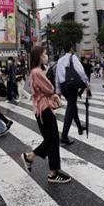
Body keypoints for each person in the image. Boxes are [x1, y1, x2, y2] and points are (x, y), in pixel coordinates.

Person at [21, 45, 71, 183]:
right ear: (38, 56)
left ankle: (52, 171)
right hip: (44, 110)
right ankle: (36, 161)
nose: (46, 56)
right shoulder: (37, 72)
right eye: (44, 54)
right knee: (52, 139)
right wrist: (52, 90)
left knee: (51, 139)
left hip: (42, 109)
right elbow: (49, 88)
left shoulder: (35, 71)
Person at [55, 42, 89, 145]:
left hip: (63, 86)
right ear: (71, 48)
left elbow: (57, 75)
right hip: (71, 85)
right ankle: (64, 136)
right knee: (70, 108)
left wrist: (58, 90)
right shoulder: (73, 57)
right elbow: (81, 71)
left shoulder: (60, 60)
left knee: (72, 106)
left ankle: (79, 127)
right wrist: (86, 82)